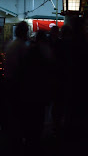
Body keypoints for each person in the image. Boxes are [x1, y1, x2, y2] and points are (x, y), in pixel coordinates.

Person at [3, 21, 30, 155]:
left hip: (8, 83)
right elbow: (24, 68)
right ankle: (17, 141)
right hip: (18, 84)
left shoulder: (11, 45)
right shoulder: (22, 47)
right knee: (19, 114)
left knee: (12, 114)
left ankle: (12, 139)